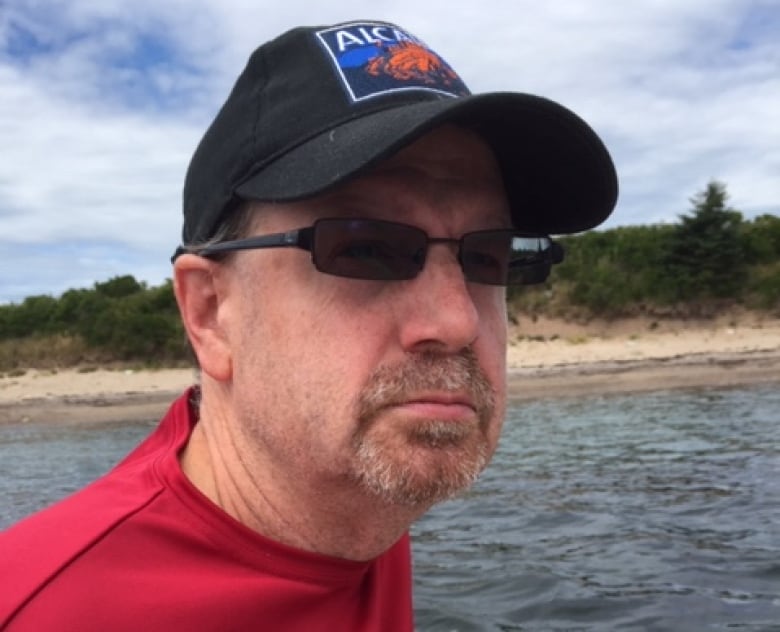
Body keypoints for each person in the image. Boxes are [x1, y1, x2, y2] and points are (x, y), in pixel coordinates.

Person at [0, 19, 617, 631]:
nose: (456, 321)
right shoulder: (43, 608)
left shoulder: (358, 500)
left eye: (488, 256)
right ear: (211, 314)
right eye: (365, 248)